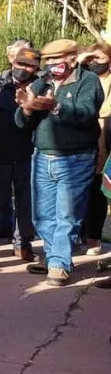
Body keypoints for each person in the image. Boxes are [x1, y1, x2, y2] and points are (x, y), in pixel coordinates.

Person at [16, 39, 104, 286]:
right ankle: (54, 255)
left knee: (67, 213)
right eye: (49, 60)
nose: (53, 65)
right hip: (42, 156)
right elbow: (21, 123)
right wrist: (26, 108)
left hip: (76, 158)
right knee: (42, 214)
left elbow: (86, 113)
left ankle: (58, 263)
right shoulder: (41, 82)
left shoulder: (87, 81)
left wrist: (56, 106)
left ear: (73, 59)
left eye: (58, 59)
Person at [0, 47, 40, 262]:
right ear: (12, 63)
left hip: (29, 153)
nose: (24, 70)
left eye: (29, 66)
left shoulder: (41, 87)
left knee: (26, 203)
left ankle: (23, 244)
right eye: (20, 65)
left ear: (36, 69)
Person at [78, 43, 111, 257]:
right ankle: (78, 235)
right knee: (79, 189)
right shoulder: (83, 78)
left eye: (99, 58)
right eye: (91, 59)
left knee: (99, 191)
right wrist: (81, 61)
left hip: (106, 139)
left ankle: (94, 237)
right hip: (82, 139)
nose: (94, 63)